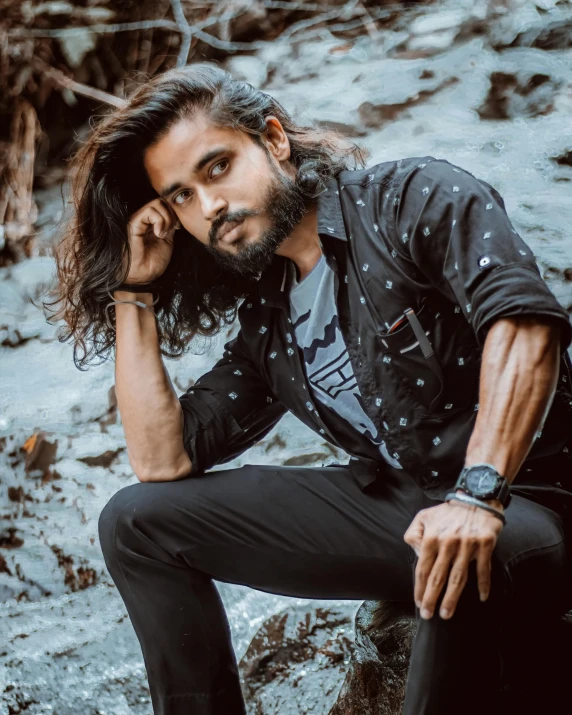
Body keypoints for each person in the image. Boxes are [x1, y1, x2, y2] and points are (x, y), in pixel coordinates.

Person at [46, 63, 572, 715]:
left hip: (531, 503)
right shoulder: (269, 320)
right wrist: (133, 292)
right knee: (134, 522)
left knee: (454, 561)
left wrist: (478, 493)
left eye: (216, 168)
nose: (207, 207)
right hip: (406, 509)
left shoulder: (409, 198)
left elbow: (525, 323)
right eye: (180, 197)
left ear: (273, 139)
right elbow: (163, 460)